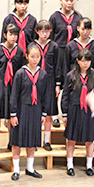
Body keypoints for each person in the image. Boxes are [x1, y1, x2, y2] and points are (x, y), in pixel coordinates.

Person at [9, 43, 49, 180]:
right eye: (32, 56)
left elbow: (45, 95)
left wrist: (44, 113)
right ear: (26, 56)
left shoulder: (43, 74)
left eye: (37, 57)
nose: (35, 59)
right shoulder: (20, 73)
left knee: (32, 140)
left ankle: (30, 168)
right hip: (21, 110)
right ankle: (16, 170)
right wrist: (13, 114)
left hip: (36, 110)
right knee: (17, 141)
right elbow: (14, 95)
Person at [61, 49, 94, 176]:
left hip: (89, 111)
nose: (85, 63)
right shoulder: (70, 75)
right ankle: (70, 165)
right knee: (71, 139)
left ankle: (89, 166)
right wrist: (64, 113)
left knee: (90, 139)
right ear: (78, 61)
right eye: (82, 60)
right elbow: (65, 96)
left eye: (88, 60)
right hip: (74, 109)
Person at [33, 19, 61, 148]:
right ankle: (36, 139)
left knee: (49, 112)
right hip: (35, 80)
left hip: (50, 81)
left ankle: (47, 140)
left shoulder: (54, 46)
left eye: (47, 31)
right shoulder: (32, 46)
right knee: (36, 111)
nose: (44, 34)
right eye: (42, 31)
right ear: (37, 31)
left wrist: (57, 84)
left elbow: (57, 66)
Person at [0, 23, 24, 131]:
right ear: (5, 35)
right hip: (0, 83)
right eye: (11, 34)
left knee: (12, 112)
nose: (13, 37)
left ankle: (11, 141)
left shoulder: (19, 51)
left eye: (15, 35)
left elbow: (20, 69)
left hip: (13, 84)